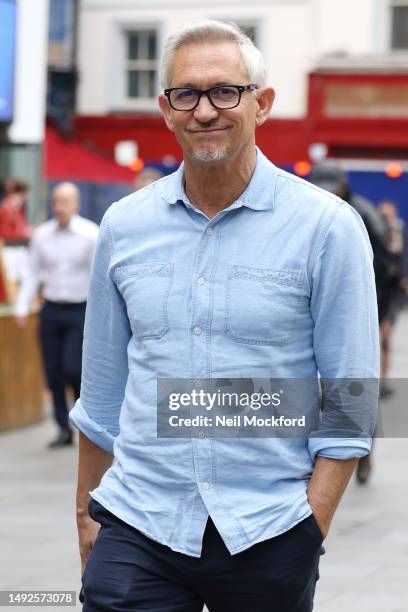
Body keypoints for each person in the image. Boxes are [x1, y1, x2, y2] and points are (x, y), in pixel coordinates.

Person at [70, 21, 379, 612]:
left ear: (261, 103)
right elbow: (102, 390)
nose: (204, 110)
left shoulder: (326, 228)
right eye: (186, 94)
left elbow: (351, 397)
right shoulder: (124, 226)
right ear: (165, 109)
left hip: (268, 527)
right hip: (140, 522)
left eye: (224, 91)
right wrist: (86, 512)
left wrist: (312, 525)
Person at [309, 161, 392, 484]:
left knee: (353, 391)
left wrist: (375, 317)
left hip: (358, 309)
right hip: (313, 312)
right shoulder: (308, 211)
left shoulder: (362, 215)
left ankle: (364, 453)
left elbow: (386, 268)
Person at [15, 182, 99, 448]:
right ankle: (63, 428)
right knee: (52, 372)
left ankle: (81, 417)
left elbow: (99, 278)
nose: (59, 208)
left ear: (75, 204)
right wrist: (21, 305)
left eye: (65, 202)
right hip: (51, 308)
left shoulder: (90, 234)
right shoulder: (42, 235)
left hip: (80, 309)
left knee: (73, 367)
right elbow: (31, 272)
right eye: (56, 202)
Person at [377, 200, 407, 396]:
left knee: (385, 336)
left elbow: (405, 258)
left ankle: (383, 381)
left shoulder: (401, 232)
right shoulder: (374, 233)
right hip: (376, 289)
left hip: (393, 291)